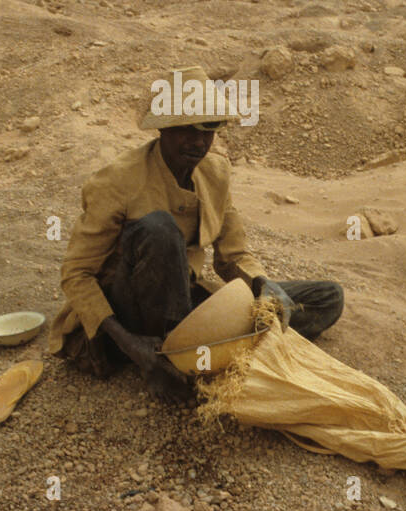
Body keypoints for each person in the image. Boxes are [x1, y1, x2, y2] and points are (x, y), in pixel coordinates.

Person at [48, 65, 344, 400]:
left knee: (327, 297)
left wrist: (264, 284)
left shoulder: (215, 174)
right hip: (128, 314)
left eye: (208, 129)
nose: (198, 141)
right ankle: (169, 357)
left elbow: (233, 255)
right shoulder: (119, 181)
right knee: (159, 229)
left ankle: (197, 352)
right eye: (186, 129)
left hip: (182, 301)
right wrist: (130, 344)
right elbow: (76, 274)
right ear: (163, 129)